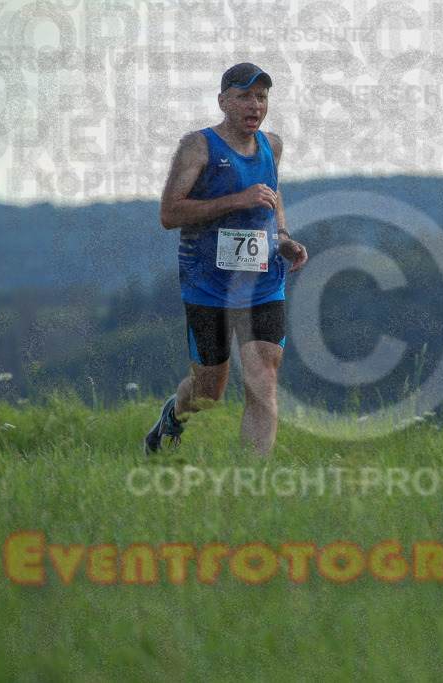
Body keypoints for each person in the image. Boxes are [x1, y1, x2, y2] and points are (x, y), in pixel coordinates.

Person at [145, 62, 308, 457]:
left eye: (262, 97)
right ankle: (174, 415)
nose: (254, 105)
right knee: (208, 393)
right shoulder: (198, 146)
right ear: (223, 101)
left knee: (263, 377)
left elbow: (272, 194)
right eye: (244, 97)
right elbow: (170, 214)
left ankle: (255, 486)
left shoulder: (273, 145)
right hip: (208, 285)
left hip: (262, 280)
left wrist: (283, 237)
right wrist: (238, 199)